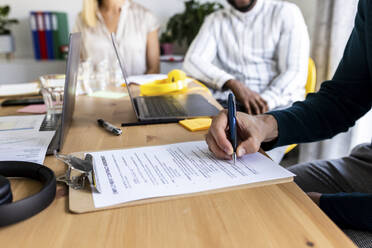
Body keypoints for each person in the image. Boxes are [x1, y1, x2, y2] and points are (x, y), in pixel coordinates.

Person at [206, 0, 372, 243]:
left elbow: (293, 74)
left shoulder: (285, 13)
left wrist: (327, 205)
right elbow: (343, 100)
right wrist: (265, 124)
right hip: (367, 165)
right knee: (255, 194)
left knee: (278, 225)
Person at [183, 0, 309, 115]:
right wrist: (231, 82)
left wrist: (262, 102)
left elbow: (295, 72)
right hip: (230, 104)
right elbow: (192, 61)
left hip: (276, 106)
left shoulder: (286, 12)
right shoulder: (215, 19)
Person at [73, 0, 160, 75]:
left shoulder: (146, 17)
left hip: (137, 93)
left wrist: (134, 91)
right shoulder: (81, 20)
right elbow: (76, 69)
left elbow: (154, 70)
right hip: (95, 93)